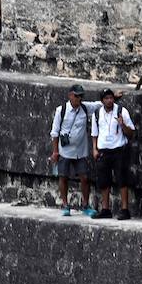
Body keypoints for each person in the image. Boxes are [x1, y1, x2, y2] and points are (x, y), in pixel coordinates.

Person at [50, 83, 94, 216]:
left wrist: (113, 96)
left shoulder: (85, 108)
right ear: (70, 95)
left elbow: (100, 103)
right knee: (63, 177)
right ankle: (65, 204)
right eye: (76, 96)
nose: (79, 99)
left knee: (84, 177)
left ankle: (85, 204)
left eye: (81, 96)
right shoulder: (61, 110)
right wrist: (55, 151)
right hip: (65, 150)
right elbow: (55, 132)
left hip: (80, 151)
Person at [91, 89, 135, 220]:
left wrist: (122, 125)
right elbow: (94, 133)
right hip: (103, 150)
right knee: (103, 180)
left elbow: (131, 133)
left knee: (122, 179)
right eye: (106, 98)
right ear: (102, 100)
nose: (109, 100)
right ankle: (105, 208)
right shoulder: (97, 113)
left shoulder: (121, 111)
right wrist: (94, 148)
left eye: (111, 98)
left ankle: (125, 209)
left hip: (118, 150)